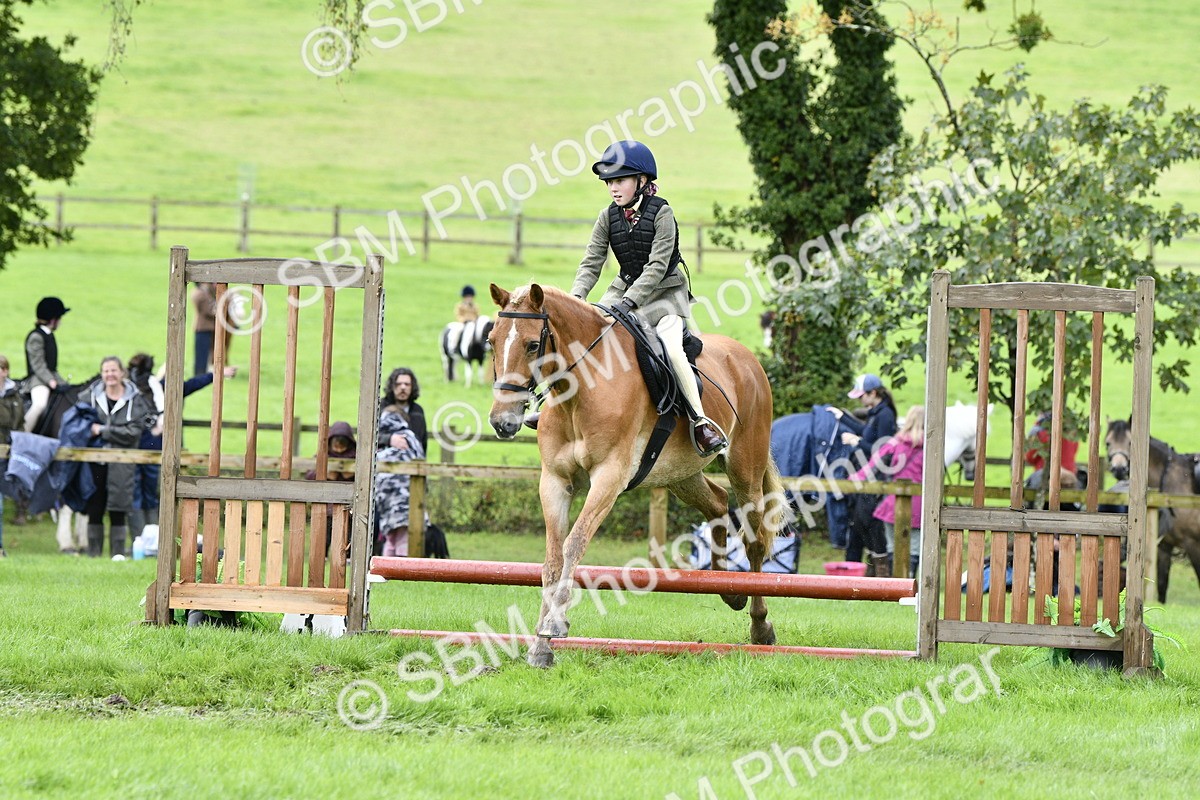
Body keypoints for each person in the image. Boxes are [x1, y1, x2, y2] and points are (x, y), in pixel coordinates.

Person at [569, 139, 726, 457]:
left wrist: (629, 302)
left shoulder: (662, 213)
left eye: (620, 180)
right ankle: (551, 405)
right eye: (610, 182)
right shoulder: (607, 216)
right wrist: (576, 299)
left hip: (665, 294)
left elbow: (656, 268)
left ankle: (700, 421)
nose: (613, 188)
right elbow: (591, 262)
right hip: (623, 287)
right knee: (584, 334)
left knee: (671, 345)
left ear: (642, 181)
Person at [126, 353, 237, 541]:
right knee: (147, 493)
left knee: (144, 493)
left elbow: (190, 384)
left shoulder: (143, 389)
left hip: (144, 448)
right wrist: (215, 374)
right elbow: (191, 384)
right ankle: (147, 538)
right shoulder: (155, 389)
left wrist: (214, 374)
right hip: (148, 448)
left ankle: (147, 537)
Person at [79, 356, 154, 558]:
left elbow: (133, 433)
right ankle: (93, 555)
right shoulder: (89, 397)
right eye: (106, 371)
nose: (110, 375)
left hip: (123, 463)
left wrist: (102, 430)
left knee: (118, 508)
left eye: (113, 370)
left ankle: (117, 555)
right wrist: (109, 431)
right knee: (95, 506)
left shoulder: (136, 400)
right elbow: (80, 425)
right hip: (95, 461)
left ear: (122, 373)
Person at [851, 406, 926, 578]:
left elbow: (872, 467)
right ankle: (910, 582)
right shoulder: (932, 447)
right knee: (914, 547)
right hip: (919, 505)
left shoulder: (895, 442)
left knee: (892, 546)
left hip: (892, 503)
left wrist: (851, 480)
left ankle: (895, 584)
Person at [375, 405, 425, 557]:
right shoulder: (408, 437)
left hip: (391, 500)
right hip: (405, 499)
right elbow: (420, 460)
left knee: (392, 537)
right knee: (400, 537)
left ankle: (389, 571)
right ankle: (397, 572)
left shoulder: (387, 442)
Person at [23, 297, 70, 432]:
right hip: (38, 379)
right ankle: (22, 434)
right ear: (53, 319)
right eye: (59, 318)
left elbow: (52, 367)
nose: (60, 322)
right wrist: (50, 381)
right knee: (40, 405)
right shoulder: (36, 337)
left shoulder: (49, 335)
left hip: (52, 376)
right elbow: (38, 365)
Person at [0, 354, 27, 557]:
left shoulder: (14, 395)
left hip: (8, 455)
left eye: (1, 368)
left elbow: (19, 424)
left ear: (6, 371)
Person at [1025, 411, 1079, 489]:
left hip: (1046, 477)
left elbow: (1030, 457)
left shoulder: (1039, 431)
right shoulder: (1071, 432)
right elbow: (1074, 450)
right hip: (1070, 477)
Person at [379, 367, 427, 455]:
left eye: (407, 384)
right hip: (383, 460)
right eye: (398, 384)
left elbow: (422, 442)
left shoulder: (417, 411)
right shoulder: (379, 407)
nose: (403, 387)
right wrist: (389, 439)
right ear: (392, 386)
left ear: (412, 387)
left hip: (411, 460)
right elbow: (368, 437)